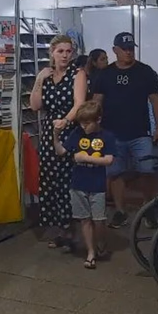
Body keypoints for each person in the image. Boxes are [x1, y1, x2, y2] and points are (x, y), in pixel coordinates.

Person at [91, 32, 158, 228]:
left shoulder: (145, 71)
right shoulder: (105, 74)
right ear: (115, 50)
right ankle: (121, 210)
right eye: (125, 49)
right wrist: (94, 127)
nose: (129, 52)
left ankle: (147, 208)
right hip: (112, 133)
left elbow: (156, 99)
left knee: (147, 171)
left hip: (140, 132)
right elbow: (97, 102)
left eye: (131, 48)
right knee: (115, 173)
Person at [30, 35, 87, 246]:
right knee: (49, 180)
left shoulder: (77, 74)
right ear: (52, 52)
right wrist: (39, 79)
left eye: (68, 51)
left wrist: (65, 121)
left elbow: (79, 104)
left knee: (67, 181)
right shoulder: (46, 75)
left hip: (69, 131)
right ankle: (58, 229)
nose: (65, 55)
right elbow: (35, 105)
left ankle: (72, 229)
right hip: (48, 132)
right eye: (60, 51)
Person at [53, 100, 116, 269]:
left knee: (99, 220)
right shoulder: (77, 133)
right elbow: (61, 151)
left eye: (87, 123)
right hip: (78, 182)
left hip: (97, 184)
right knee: (84, 220)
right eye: (81, 123)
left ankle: (101, 242)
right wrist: (56, 135)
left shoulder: (107, 136)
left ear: (98, 120)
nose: (83, 127)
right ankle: (91, 252)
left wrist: (85, 158)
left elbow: (109, 160)